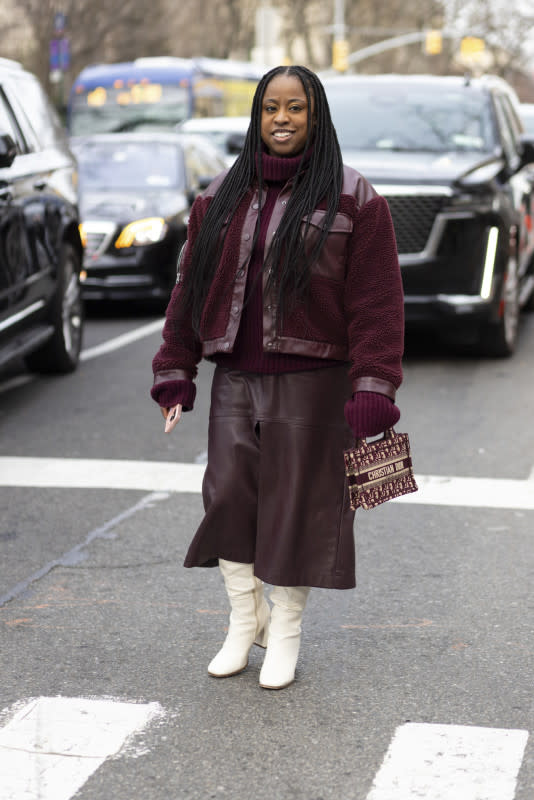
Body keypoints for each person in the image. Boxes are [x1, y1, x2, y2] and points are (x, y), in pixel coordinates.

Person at [150, 65, 404, 690]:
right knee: (229, 497)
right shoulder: (219, 197)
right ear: (256, 116)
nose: (282, 118)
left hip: (316, 378)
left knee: (301, 507)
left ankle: (285, 629)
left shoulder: (353, 197)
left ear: (315, 115)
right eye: (270, 108)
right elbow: (190, 288)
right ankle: (245, 618)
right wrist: (175, 367)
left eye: (295, 107)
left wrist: (375, 386)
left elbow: (376, 299)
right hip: (235, 372)